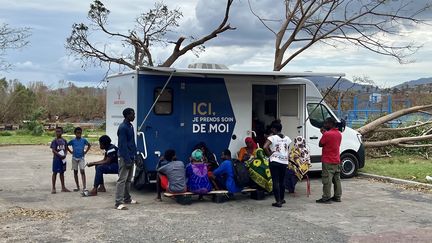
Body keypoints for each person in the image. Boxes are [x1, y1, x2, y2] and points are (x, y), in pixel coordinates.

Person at [264, 121, 292, 208]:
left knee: (275, 181)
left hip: (275, 161)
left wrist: (269, 154)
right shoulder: (287, 138)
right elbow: (287, 148)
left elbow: (265, 147)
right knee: (282, 181)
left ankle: (278, 201)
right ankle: (282, 199)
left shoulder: (272, 138)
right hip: (284, 161)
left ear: (273, 129)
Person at [115, 108, 138, 210]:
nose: (134, 116)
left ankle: (127, 198)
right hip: (125, 158)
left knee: (128, 179)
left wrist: (135, 155)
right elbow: (122, 145)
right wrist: (128, 160)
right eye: (132, 114)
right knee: (122, 180)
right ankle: (118, 203)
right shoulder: (123, 127)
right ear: (127, 115)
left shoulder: (130, 126)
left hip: (131, 156)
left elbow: (132, 142)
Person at [316, 117, 343, 204]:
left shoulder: (327, 134)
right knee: (337, 179)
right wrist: (325, 133)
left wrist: (323, 134)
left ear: (330, 124)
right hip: (337, 159)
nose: (324, 125)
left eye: (326, 123)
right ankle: (337, 196)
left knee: (327, 179)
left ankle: (326, 197)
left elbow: (320, 144)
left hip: (328, 160)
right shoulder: (339, 134)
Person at [67, 127, 91, 192]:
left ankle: (84, 187)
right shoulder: (72, 141)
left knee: (82, 171)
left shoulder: (84, 140)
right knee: (75, 172)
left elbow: (89, 145)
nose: (79, 134)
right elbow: (66, 145)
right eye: (77, 133)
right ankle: (77, 187)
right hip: (74, 158)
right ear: (75, 133)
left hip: (81, 158)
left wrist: (85, 152)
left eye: (80, 133)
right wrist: (70, 151)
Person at [50, 127, 70, 194]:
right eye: (57, 131)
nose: (58, 133)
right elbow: (53, 150)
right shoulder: (54, 141)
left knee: (62, 173)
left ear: (62, 132)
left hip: (63, 159)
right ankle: (53, 187)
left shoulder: (64, 140)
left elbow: (66, 149)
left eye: (59, 131)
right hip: (56, 159)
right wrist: (59, 155)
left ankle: (63, 187)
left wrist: (65, 154)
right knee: (55, 173)